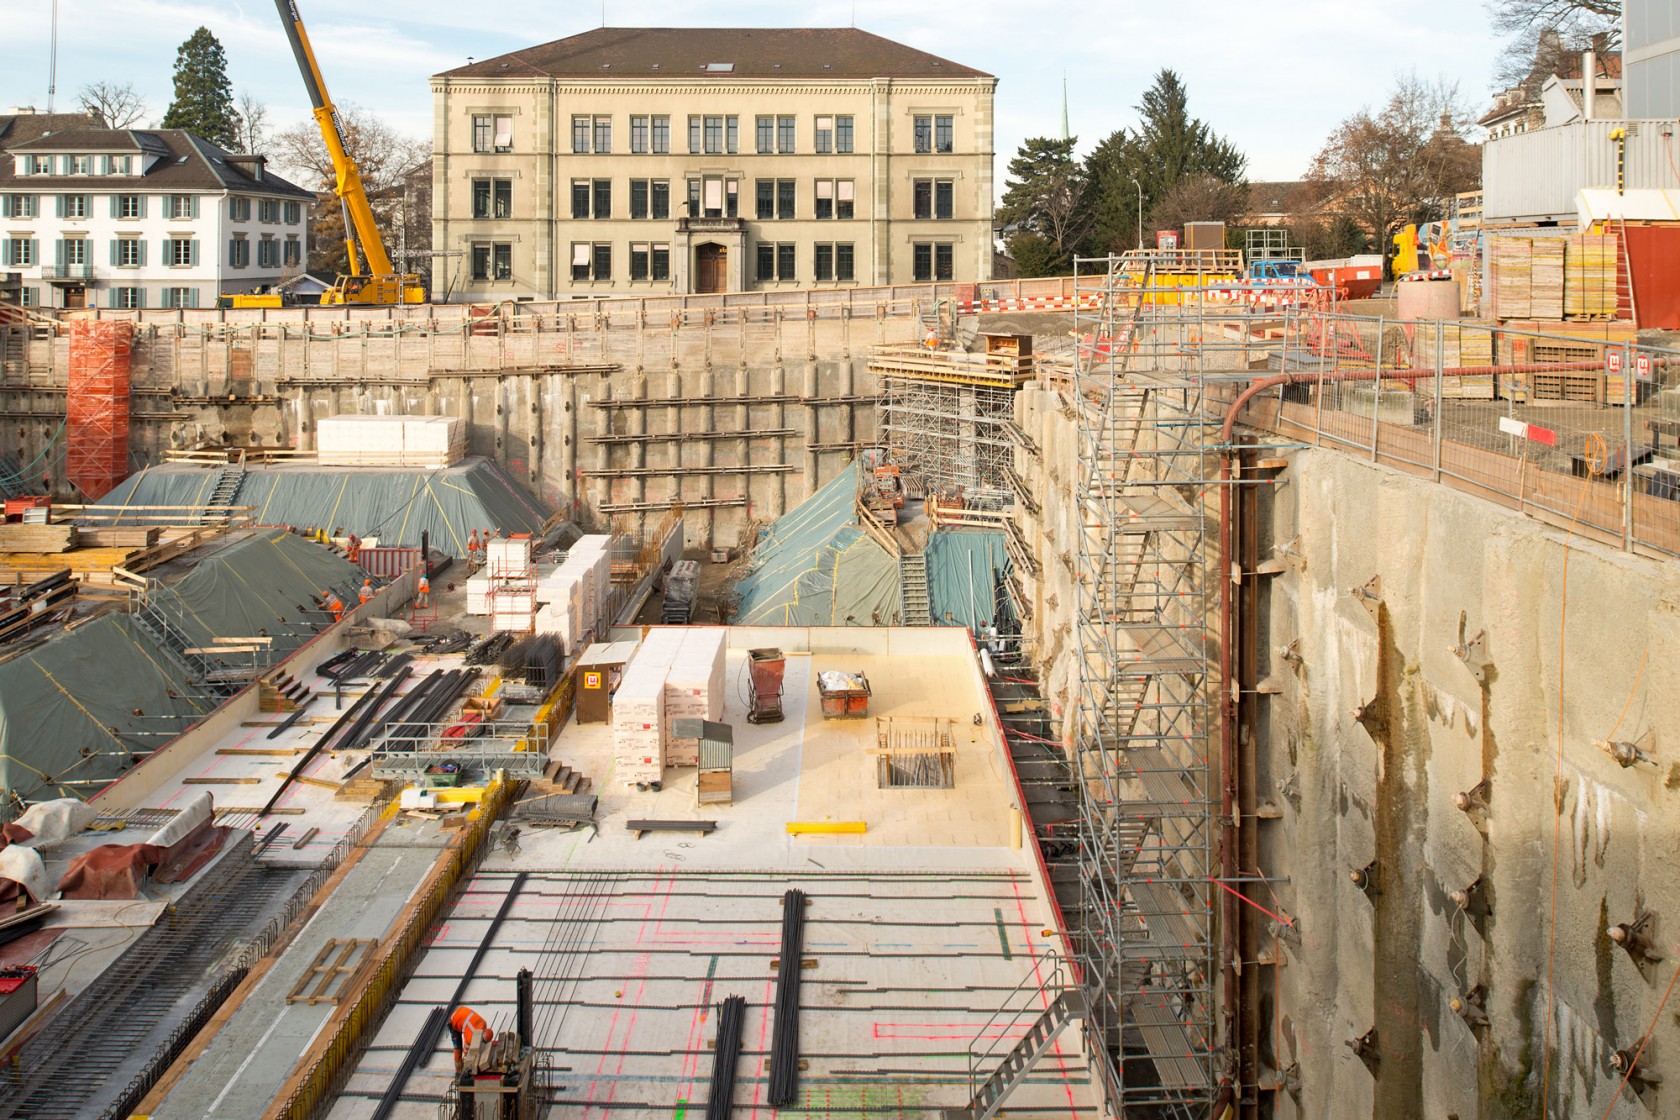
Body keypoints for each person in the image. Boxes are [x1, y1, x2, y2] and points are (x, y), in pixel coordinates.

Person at [449, 1005, 492, 1072]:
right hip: (454, 1021)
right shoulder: (471, 1037)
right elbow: (466, 1050)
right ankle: (459, 1071)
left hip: (462, 1010)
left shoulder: (484, 1023)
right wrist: (467, 1059)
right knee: (458, 1048)